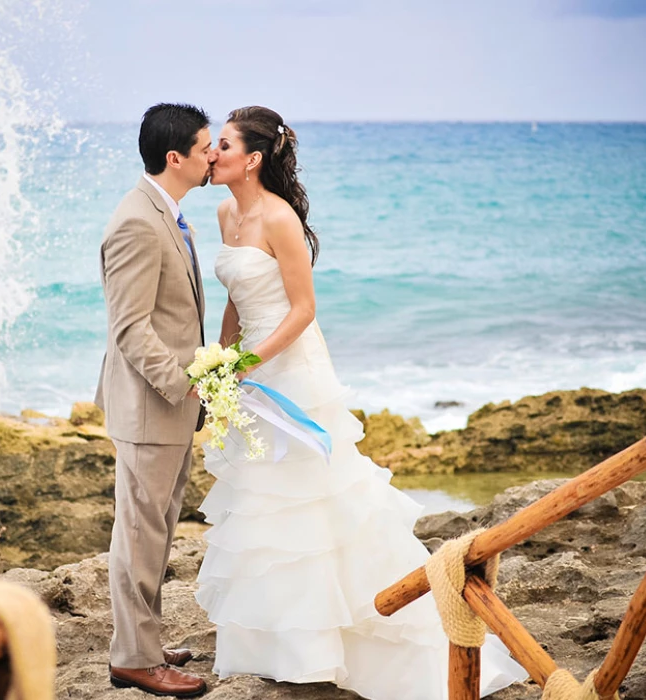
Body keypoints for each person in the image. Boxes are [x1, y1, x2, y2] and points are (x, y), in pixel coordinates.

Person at [194, 105, 528, 699]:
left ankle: (351, 639)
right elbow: (236, 297)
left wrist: (249, 359)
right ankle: (281, 644)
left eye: (221, 144)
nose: (210, 154)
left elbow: (302, 310)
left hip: (292, 370)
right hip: (247, 367)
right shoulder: (225, 211)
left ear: (252, 158)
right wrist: (219, 359)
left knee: (312, 498)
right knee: (263, 504)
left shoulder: (279, 219)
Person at [95, 103, 213, 698]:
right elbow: (131, 328)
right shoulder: (137, 222)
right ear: (176, 158)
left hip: (167, 407)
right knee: (141, 534)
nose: (212, 156)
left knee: (156, 530)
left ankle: (141, 641)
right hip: (150, 407)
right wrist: (185, 384)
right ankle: (135, 660)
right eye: (203, 148)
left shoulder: (166, 213)